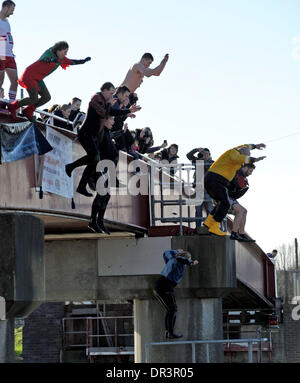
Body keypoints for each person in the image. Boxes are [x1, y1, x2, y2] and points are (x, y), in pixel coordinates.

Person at [65, 82, 141, 197]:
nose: (111, 96)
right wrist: (110, 105)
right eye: (110, 93)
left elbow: (112, 113)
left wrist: (129, 111)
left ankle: (80, 184)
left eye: (113, 94)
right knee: (94, 157)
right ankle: (71, 168)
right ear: (104, 90)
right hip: (86, 133)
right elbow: (104, 113)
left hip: (94, 135)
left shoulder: (106, 101)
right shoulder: (96, 97)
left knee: (95, 159)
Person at [8, 41, 91, 121]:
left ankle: (28, 110)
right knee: (34, 98)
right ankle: (13, 106)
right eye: (65, 52)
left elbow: (72, 62)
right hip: (29, 76)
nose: (66, 54)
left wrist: (83, 61)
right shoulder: (50, 52)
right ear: (59, 50)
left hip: (38, 79)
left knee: (47, 97)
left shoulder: (62, 59)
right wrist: (51, 60)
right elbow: (45, 58)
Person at [203, 143, 266, 236]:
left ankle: (208, 223)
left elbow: (246, 146)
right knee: (225, 203)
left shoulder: (238, 151)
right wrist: (254, 160)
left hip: (218, 181)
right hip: (215, 179)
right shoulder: (232, 153)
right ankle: (214, 227)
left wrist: (255, 146)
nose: (244, 163)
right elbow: (239, 158)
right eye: (245, 158)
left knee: (222, 202)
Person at [153, 249, 198, 339]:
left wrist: (176, 251)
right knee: (173, 309)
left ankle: (168, 332)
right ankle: (170, 332)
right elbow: (182, 259)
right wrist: (192, 262)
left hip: (160, 286)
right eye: (189, 258)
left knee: (170, 309)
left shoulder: (171, 259)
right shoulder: (179, 260)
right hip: (165, 286)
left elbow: (165, 253)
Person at [88, 116, 119, 234]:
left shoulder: (107, 133)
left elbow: (111, 136)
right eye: (111, 119)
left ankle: (99, 220)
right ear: (105, 121)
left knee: (106, 195)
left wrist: (122, 132)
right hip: (97, 167)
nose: (114, 121)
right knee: (102, 194)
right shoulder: (100, 132)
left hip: (105, 169)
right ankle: (93, 221)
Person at [228, 163, 256, 242]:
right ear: (245, 168)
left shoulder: (242, 176)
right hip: (223, 197)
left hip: (230, 198)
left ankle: (241, 233)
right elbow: (237, 185)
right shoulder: (236, 173)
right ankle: (234, 233)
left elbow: (237, 192)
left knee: (244, 211)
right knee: (240, 211)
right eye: (250, 171)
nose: (251, 173)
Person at [186, 147, 214, 227]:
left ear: (209, 155)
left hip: (209, 191)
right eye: (203, 154)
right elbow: (188, 155)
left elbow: (209, 168)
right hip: (198, 190)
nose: (205, 155)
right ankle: (198, 228)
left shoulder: (213, 163)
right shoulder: (198, 162)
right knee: (198, 211)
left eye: (207, 154)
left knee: (209, 210)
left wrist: (204, 160)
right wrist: (196, 150)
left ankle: (210, 227)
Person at [0, 1, 18, 101]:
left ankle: (11, 105)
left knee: (15, 81)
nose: (12, 13)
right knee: (0, 80)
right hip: (1, 54)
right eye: (11, 10)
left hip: (10, 55)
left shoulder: (7, 22)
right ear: (5, 7)